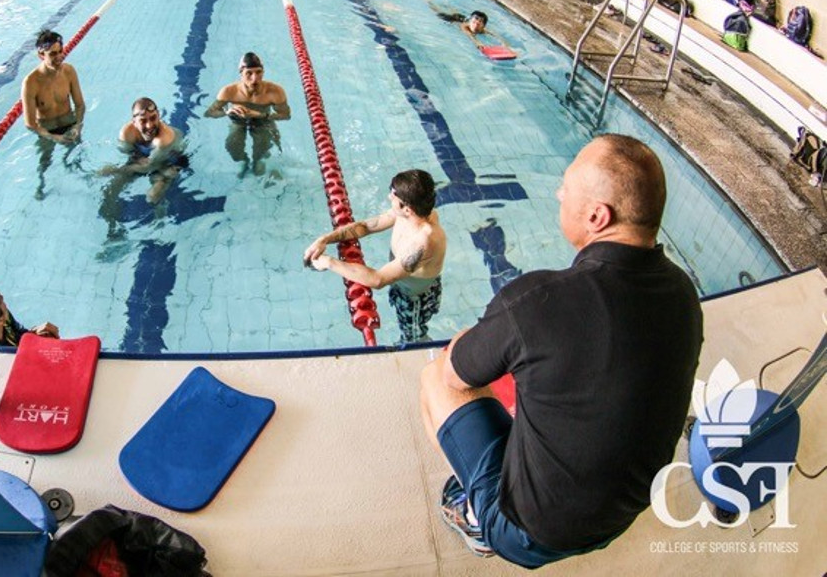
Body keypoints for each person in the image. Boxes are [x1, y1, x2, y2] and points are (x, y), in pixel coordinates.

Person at [419, 134, 703, 568]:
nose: (558, 194)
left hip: (529, 533)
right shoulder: (684, 293)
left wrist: (479, 338)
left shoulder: (539, 300)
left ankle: (478, 519)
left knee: (437, 376)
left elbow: (458, 374)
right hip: (622, 514)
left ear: (596, 215)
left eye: (566, 187)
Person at [303, 170, 446, 343]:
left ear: (407, 208)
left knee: (413, 339)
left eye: (393, 195)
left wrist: (329, 262)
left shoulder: (423, 241)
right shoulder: (410, 213)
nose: (388, 197)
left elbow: (378, 279)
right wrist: (325, 239)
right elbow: (367, 226)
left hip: (415, 300)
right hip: (402, 284)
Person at [204, 52, 290, 175]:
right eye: (249, 73)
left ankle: (257, 162)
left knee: (263, 149)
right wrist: (226, 112)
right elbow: (209, 113)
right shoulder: (228, 91)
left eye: (258, 72)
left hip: (263, 121)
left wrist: (259, 115)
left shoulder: (275, 91)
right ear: (241, 74)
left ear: (263, 72)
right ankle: (243, 161)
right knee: (232, 147)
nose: (254, 78)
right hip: (238, 121)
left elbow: (285, 115)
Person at [101, 97, 187, 209]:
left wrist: (117, 170)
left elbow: (152, 166)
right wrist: (134, 159)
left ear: (158, 115)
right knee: (111, 188)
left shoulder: (165, 138)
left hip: (169, 161)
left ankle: (160, 216)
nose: (149, 125)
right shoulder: (127, 132)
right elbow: (127, 153)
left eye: (153, 118)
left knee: (153, 195)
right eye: (143, 120)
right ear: (134, 122)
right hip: (145, 158)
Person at [21, 29, 85, 145]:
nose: (59, 57)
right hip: (45, 130)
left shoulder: (69, 71)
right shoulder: (30, 82)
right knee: (45, 162)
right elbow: (30, 124)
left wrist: (78, 126)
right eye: (53, 54)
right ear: (41, 55)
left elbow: (80, 105)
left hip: (70, 124)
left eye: (60, 51)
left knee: (77, 160)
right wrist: (53, 137)